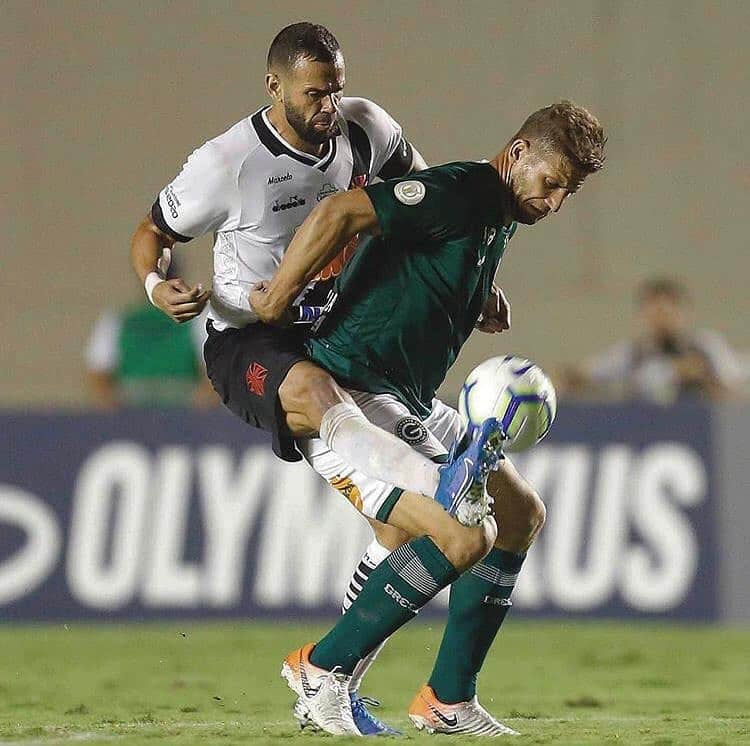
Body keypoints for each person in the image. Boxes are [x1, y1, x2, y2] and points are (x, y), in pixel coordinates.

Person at [129, 22, 502, 734]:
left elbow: (422, 203)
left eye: (336, 86)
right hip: (249, 341)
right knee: (316, 397)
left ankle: (331, 675)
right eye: (313, 92)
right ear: (274, 86)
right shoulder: (225, 163)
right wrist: (156, 287)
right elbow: (152, 232)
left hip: (337, 335)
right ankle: (432, 485)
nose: (330, 104)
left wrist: (474, 286)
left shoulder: (369, 127)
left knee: (399, 536)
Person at [251, 101, 606, 735]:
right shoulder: (465, 190)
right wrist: (279, 296)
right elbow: (342, 212)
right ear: (517, 154)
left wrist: (477, 296)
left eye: (569, 193)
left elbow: (420, 265)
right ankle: (321, 667)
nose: (554, 203)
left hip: (405, 399)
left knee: (520, 514)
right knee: (464, 535)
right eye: (552, 183)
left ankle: (447, 698)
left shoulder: (498, 214)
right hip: (352, 395)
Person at [559, 277, 742, 404]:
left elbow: (733, 393)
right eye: (656, 312)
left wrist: (704, 378)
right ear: (644, 315)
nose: (663, 319)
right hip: (650, 434)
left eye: (669, 312)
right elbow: (588, 373)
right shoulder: (633, 353)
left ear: (684, 313)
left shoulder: (706, 347)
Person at [86, 254, 216, 409]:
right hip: (130, 412)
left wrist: (199, 405)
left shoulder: (198, 320)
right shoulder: (117, 320)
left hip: (183, 411)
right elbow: (98, 376)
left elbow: (213, 374)